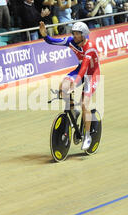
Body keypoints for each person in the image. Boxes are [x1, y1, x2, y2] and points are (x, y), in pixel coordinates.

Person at [39, 21, 100, 151]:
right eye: (74, 33)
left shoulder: (90, 46)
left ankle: (87, 136)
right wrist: (44, 35)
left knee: (84, 104)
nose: (74, 35)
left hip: (92, 74)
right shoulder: (71, 41)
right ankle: (73, 110)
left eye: (77, 34)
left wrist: (75, 82)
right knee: (63, 87)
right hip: (80, 70)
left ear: (83, 35)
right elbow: (52, 41)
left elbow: (85, 68)